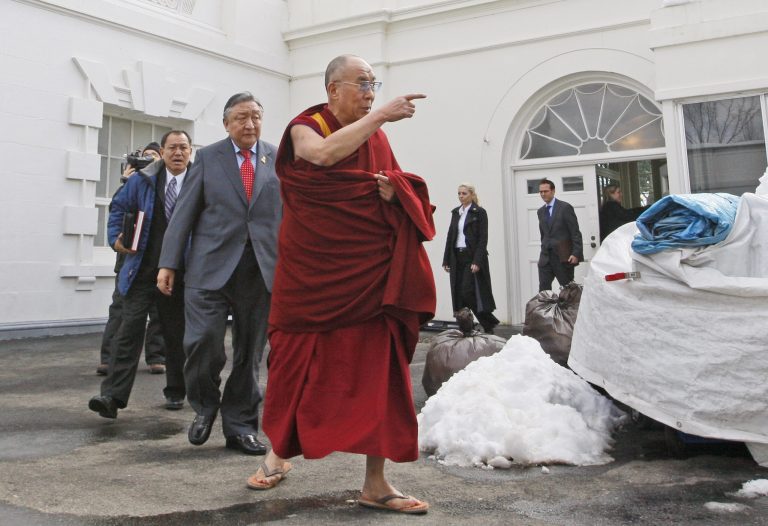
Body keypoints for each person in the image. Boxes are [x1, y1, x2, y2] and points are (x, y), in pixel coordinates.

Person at [249, 54, 434, 516]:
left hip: (367, 279)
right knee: (297, 365)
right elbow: (321, 155)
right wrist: (380, 115)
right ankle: (278, 455)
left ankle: (376, 483)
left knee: (379, 376)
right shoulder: (305, 125)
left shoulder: (377, 136)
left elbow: (397, 188)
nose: (370, 91)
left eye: (374, 83)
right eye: (362, 83)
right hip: (311, 275)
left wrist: (396, 193)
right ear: (333, 89)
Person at [156, 93, 282, 456]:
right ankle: (205, 405)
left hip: (259, 270)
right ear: (227, 124)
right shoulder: (209, 158)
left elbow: (288, 215)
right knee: (202, 344)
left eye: (256, 117)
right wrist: (169, 263)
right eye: (241, 118)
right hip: (209, 267)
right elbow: (184, 213)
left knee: (249, 352)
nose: (250, 124)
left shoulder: (276, 158)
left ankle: (241, 425)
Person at [88, 131, 192, 418]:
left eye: (183, 147)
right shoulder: (141, 180)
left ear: (191, 151)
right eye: (172, 148)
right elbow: (118, 207)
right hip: (142, 270)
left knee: (176, 335)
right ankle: (111, 397)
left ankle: (175, 391)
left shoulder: (200, 181)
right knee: (128, 332)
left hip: (181, 273)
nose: (178, 153)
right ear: (163, 150)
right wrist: (115, 238)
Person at [97, 142, 166, 377]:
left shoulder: (166, 182)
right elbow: (118, 208)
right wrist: (126, 181)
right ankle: (108, 358)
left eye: (154, 157)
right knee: (120, 310)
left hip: (158, 259)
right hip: (129, 260)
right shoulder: (134, 182)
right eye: (145, 157)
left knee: (159, 313)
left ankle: (156, 357)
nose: (150, 161)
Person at [442, 183, 499, 333]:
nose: (461, 196)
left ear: (472, 195)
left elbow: (483, 239)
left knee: (468, 291)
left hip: (471, 257)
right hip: (456, 256)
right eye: (459, 193)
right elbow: (450, 236)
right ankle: (467, 325)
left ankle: (488, 322)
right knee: (459, 293)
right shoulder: (456, 212)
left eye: (464, 193)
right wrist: (446, 259)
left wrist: (477, 261)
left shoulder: (479, 212)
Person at [537, 178, 583, 291]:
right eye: (541, 192)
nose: (543, 194)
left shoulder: (565, 208)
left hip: (563, 257)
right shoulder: (540, 211)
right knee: (543, 290)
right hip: (545, 258)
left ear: (553, 191)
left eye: (545, 191)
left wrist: (576, 253)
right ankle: (545, 309)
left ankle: (570, 309)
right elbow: (544, 234)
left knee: (568, 290)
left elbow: (575, 232)